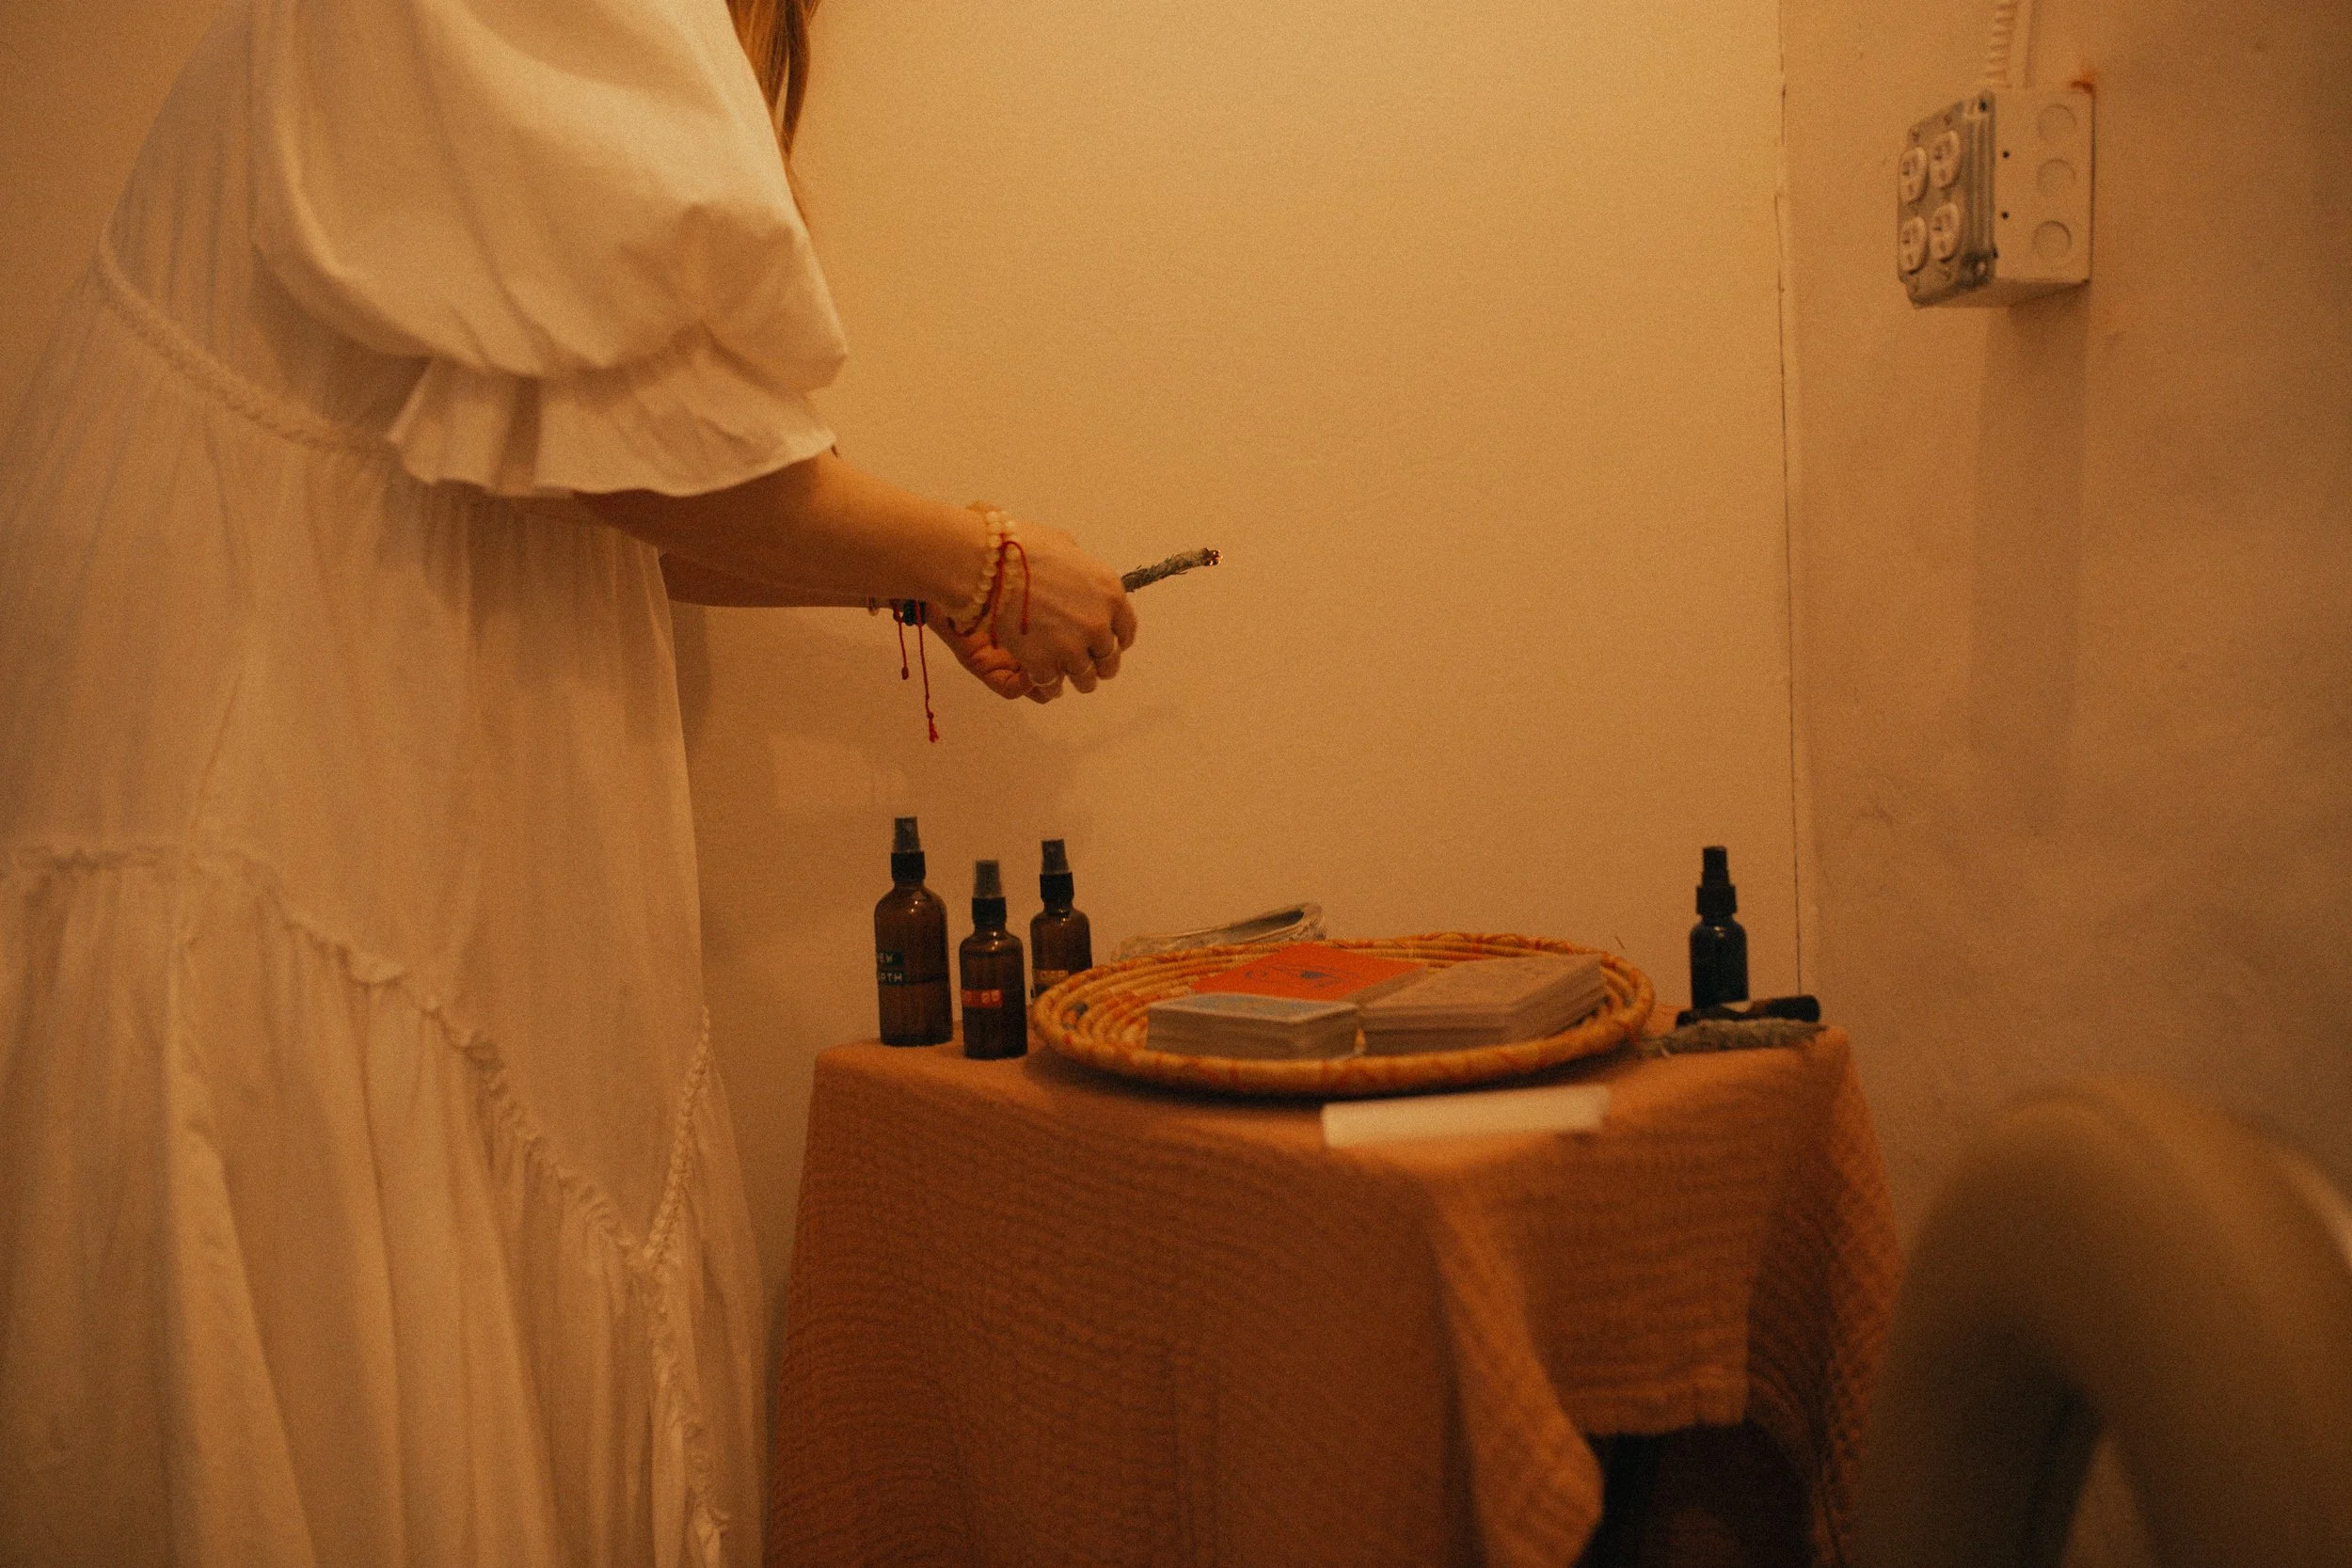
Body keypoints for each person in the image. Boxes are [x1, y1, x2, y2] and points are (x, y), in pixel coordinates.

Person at [0, 0, 1133, 1560]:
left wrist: (927, 581)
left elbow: (580, 465)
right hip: (268, 759)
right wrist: (980, 559)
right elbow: (646, 463)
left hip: (309, 738)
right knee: (315, 1306)